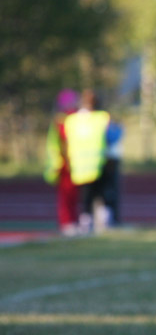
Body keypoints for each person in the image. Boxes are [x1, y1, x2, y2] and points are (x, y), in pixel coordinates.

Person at [64, 89, 111, 234]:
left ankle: (86, 222)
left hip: (79, 165)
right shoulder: (102, 117)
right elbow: (113, 135)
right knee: (101, 193)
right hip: (98, 162)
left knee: (86, 195)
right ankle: (103, 222)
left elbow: (66, 141)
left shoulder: (71, 120)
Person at [44, 89, 80, 236]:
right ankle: (68, 223)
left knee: (69, 197)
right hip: (66, 165)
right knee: (68, 197)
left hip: (70, 164)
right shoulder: (64, 122)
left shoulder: (64, 121)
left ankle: (69, 222)